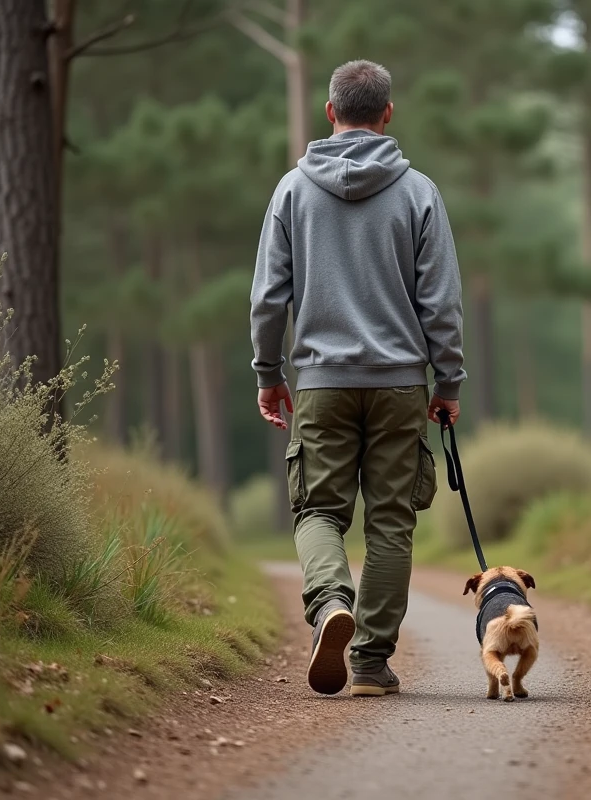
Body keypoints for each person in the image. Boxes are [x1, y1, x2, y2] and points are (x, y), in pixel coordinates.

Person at [249, 59, 465, 697]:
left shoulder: (292, 190)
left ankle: (329, 604)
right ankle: (370, 662)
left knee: (318, 508)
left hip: (320, 381)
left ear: (330, 111)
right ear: (388, 113)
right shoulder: (419, 191)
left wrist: (269, 371)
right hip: (401, 383)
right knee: (391, 522)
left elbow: (268, 297)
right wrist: (447, 382)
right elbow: (442, 303)